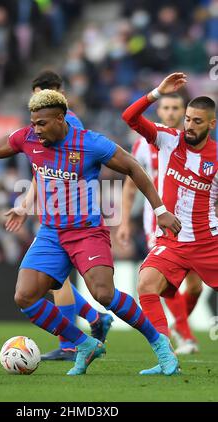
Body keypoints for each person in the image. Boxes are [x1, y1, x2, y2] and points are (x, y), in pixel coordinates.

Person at [0, 89, 181, 376]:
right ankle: (84, 344)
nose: (36, 129)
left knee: (104, 294)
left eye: (42, 123)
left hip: (86, 232)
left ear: (61, 119)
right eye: (33, 122)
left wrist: (160, 209)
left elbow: (133, 167)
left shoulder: (89, 143)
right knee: (25, 296)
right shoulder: (27, 138)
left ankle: (161, 346)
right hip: (52, 232)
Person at [122, 72, 218, 375]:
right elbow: (129, 117)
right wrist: (156, 93)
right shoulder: (167, 139)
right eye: (187, 119)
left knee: (193, 290)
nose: (188, 125)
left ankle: (182, 332)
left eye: (197, 121)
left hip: (208, 239)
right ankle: (167, 358)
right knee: (146, 284)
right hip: (173, 240)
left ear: (211, 125)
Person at [28, 70, 114, 361]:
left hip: (73, 220)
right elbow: (41, 171)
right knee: (51, 283)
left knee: (56, 282)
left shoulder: (67, 123)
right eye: (35, 93)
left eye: (43, 93)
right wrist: (27, 201)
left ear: (59, 94)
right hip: (52, 216)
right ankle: (95, 319)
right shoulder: (41, 124)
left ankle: (70, 344)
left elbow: (73, 170)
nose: (37, 99)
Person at [117, 93, 202, 354]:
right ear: (160, 111)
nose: (170, 112)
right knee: (167, 277)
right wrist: (123, 221)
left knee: (196, 286)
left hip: (194, 223)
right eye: (166, 107)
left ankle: (178, 324)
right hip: (158, 222)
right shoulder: (146, 143)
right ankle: (184, 336)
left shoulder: (196, 144)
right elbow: (131, 183)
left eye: (176, 108)